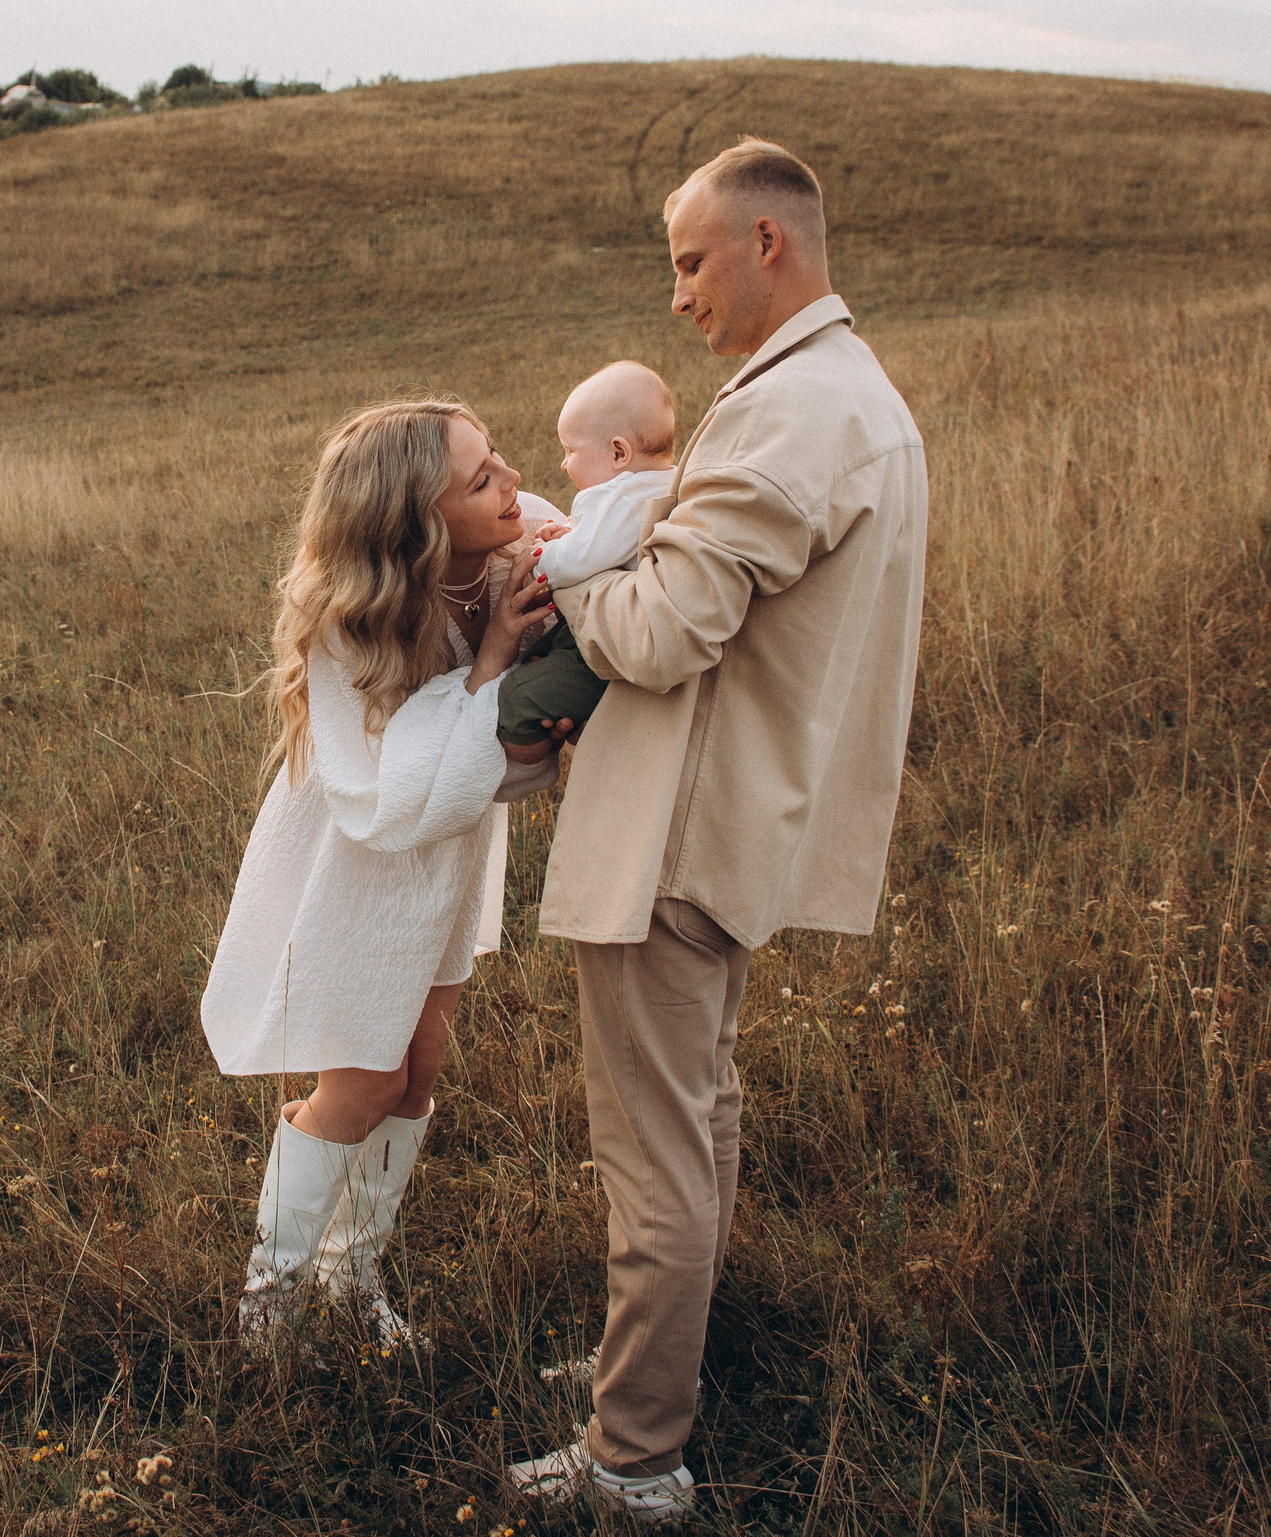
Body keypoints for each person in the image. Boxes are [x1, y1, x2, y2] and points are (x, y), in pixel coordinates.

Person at [507, 140, 928, 1519]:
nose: (678, 294)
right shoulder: (840, 394)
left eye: (691, 261)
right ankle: (652, 1372)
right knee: (695, 1122)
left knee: (657, 1150)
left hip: (676, 832)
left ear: (768, 244)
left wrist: (569, 580)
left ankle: (636, 1462)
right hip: (735, 811)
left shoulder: (792, 412)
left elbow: (667, 629)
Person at [200, 399, 562, 1349]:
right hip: (358, 874)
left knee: (422, 1066)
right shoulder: (351, 625)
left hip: (441, 872)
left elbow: (601, 529)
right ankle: (268, 1305)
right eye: (481, 481)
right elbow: (389, 791)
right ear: (419, 530)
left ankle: (351, 1275)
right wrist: (488, 667)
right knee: (362, 1082)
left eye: (498, 462)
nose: (514, 480)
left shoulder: (506, 558)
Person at [495, 361, 678, 759]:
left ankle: (528, 743)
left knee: (515, 694)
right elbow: (602, 548)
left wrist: (541, 559)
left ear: (618, 452)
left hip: (612, 639)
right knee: (543, 656)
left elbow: (575, 563)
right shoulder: (666, 483)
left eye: (571, 451)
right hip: (618, 624)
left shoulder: (624, 497)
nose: (563, 463)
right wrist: (572, 536)